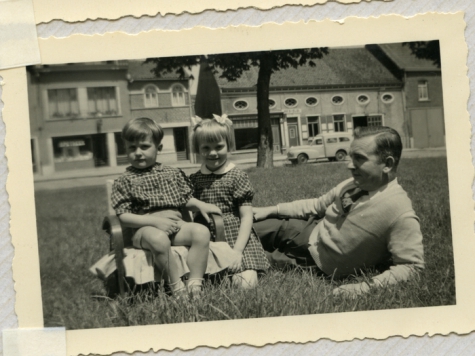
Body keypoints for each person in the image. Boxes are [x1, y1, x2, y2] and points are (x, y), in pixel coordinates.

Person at [253, 126, 424, 296]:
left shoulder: (399, 211)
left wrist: (363, 287)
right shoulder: (352, 183)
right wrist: (270, 210)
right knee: (248, 226)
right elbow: (317, 205)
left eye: (359, 158)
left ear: (387, 164)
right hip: (307, 229)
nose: (350, 165)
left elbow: (412, 266)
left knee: (249, 257)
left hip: (314, 261)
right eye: (351, 157)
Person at [91, 117, 226, 297]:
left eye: (144, 147)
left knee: (201, 232)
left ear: (159, 148)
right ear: (126, 150)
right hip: (143, 230)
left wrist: (201, 204)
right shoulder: (124, 180)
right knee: (158, 238)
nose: (138, 153)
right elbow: (123, 216)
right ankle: (177, 288)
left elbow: (185, 199)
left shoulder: (171, 173)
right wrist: (155, 221)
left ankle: (195, 285)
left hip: (176, 225)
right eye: (132, 148)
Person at [189, 115, 270, 288]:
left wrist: (238, 251)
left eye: (219, 146)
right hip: (206, 236)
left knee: (246, 285)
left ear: (229, 145)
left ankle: (243, 270)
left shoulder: (237, 176)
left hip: (235, 236)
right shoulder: (194, 179)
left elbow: (246, 217)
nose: (212, 153)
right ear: (197, 148)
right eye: (206, 148)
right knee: (214, 282)